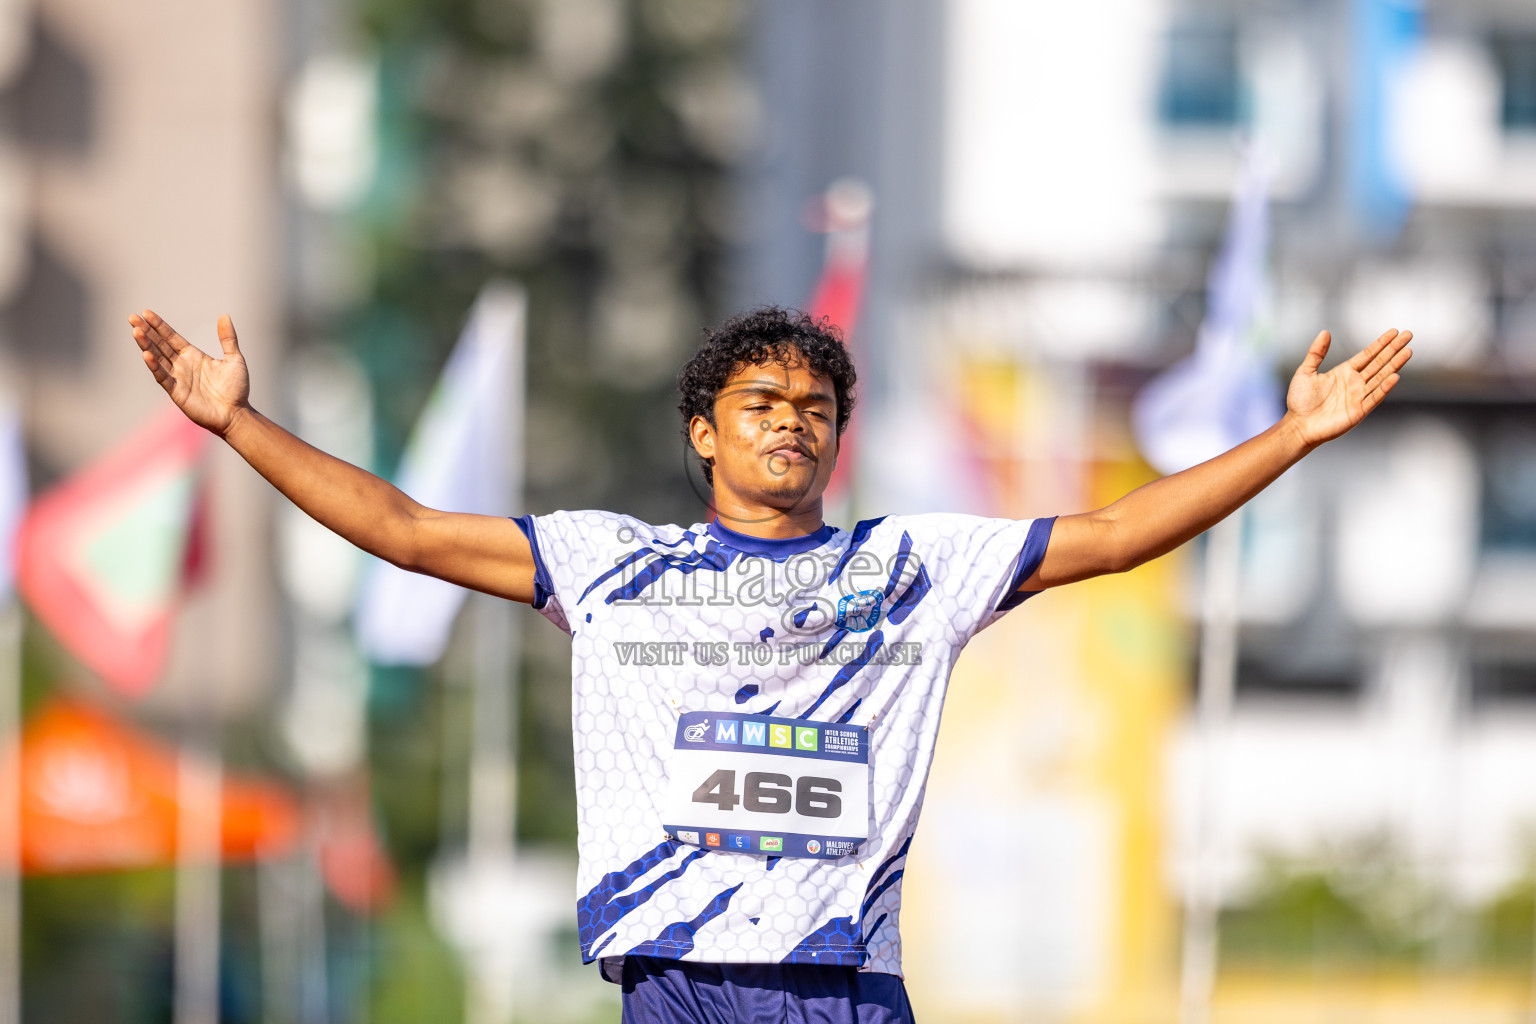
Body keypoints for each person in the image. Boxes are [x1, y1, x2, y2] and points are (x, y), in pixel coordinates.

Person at [128, 304, 1411, 1022]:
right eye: (761, 404)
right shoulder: (611, 563)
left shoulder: (915, 563)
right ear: (704, 429)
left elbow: (1123, 533)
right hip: (679, 980)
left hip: (849, 984)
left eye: (815, 411)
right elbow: (403, 532)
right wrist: (238, 421)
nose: (792, 425)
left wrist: (1290, 438)